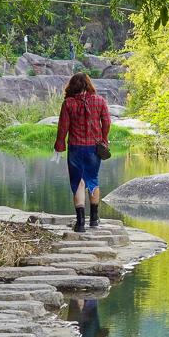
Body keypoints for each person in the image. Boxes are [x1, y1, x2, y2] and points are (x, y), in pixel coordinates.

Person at [54, 73, 111, 232]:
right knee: (92, 179)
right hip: (94, 148)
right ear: (89, 84)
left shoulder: (68, 103)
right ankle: (94, 219)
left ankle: (80, 223)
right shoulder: (100, 101)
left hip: (75, 148)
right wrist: (104, 139)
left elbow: (63, 127)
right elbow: (106, 122)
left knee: (78, 182)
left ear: (72, 86)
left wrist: (59, 146)